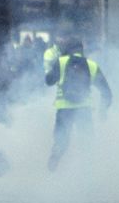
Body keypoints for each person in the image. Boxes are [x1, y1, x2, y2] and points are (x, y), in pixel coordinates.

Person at [45, 37, 113, 169]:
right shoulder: (92, 65)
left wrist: (52, 68)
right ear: (82, 50)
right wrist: (103, 109)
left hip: (64, 109)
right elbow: (107, 92)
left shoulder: (61, 62)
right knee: (87, 143)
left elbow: (48, 81)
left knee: (61, 141)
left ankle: (55, 158)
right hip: (84, 109)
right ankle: (87, 172)